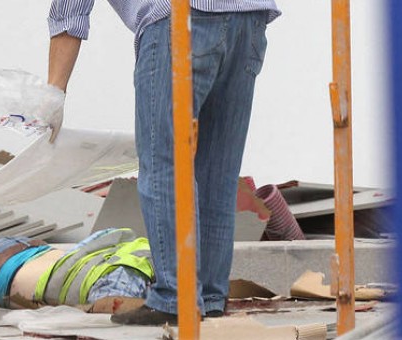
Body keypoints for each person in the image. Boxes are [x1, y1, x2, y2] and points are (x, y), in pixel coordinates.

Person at [46, 0, 280, 325]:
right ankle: (209, 298)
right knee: (218, 173)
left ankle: (176, 298)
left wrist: (55, 91)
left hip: (182, 18)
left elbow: (71, 10)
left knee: (164, 164)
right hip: (248, 21)